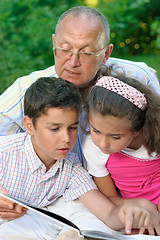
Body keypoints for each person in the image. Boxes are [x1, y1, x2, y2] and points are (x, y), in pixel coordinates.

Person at [0, 76, 152, 239]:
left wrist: (126, 214)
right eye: (54, 129)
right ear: (30, 126)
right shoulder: (5, 152)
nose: (66, 138)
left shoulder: (70, 167)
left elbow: (108, 213)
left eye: (72, 127)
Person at [0, 6, 159, 137]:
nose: (73, 62)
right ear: (54, 43)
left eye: (87, 53)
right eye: (65, 49)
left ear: (106, 54)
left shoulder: (138, 77)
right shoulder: (25, 90)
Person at [82, 74, 160, 235]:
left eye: (116, 137)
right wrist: (137, 206)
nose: (103, 143)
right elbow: (110, 196)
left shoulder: (155, 136)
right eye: (96, 130)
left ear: (137, 130)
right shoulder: (93, 147)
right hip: (135, 208)